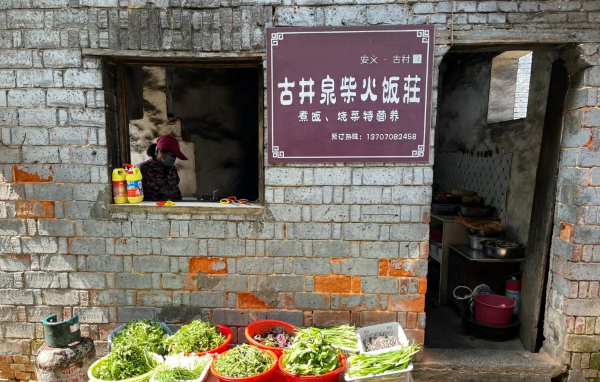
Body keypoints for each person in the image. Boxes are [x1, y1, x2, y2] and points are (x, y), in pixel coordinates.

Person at [136, 135, 187, 201]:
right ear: (161, 151)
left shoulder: (172, 169)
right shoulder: (142, 169)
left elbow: (176, 191)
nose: (174, 159)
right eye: (172, 156)